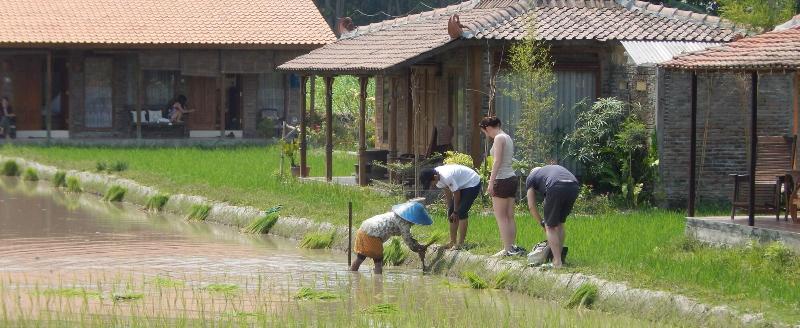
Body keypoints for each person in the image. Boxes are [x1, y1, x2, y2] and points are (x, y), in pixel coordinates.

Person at [479, 116, 524, 257]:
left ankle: (506, 249)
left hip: (502, 179)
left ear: (488, 128)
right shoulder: (507, 137)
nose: (486, 135)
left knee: (501, 217)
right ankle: (511, 246)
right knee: (510, 216)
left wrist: (491, 182)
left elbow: (497, 161)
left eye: (484, 132)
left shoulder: (498, 138)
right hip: (511, 178)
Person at [350, 201, 434, 274]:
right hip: (372, 234)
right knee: (378, 261)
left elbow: (409, 237)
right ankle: (378, 285)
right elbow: (408, 240)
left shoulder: (394, 215)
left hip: (363, 229)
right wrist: (418, 249)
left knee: (360, 257)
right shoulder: (403, 223)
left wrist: (418, 246)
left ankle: (352, 276)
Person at [525, 165, 580, 268]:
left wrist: (542, 222)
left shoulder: (531, 177)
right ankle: (557, 258)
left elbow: (531, 206)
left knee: (550, 227)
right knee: (560, 223)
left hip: (556, 185)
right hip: (574, 185)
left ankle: (557, 262)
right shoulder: (548, 170)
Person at [420, 164, 481, 250]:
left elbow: (456, 193)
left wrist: (456, 211)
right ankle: (452, 242)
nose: (431, 185)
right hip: (461, 185)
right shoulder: (437, 179)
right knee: (451, 213)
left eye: (431, 182)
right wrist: (450, 209)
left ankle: (461, 243)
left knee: (461, 212)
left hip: (472, 182)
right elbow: (447, 191)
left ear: (435, 176)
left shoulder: (446, 176)